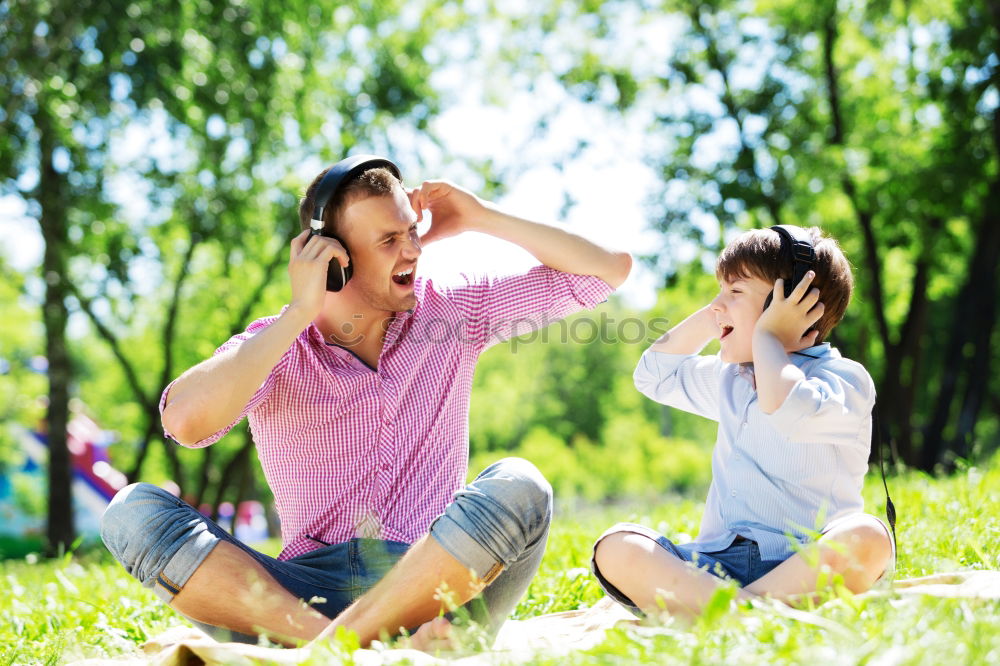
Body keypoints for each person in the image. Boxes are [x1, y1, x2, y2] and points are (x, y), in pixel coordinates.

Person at [100, 156, 632, 648]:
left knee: (521, 483)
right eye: (389, 239)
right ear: (332, 258)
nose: (414, 250)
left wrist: (481, 216)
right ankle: (343, 647)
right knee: (131, 512)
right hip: (298, 595)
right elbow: (185, 423)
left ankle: (329, 653)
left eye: (412, 233)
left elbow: (608, 271)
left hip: (431, 580)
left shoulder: (451, 312)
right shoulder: (277, 345)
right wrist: (297, 312)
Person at [591, 226, 893, 619]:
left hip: (802, 562)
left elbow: (787, 408)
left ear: (791, 300)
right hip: (714, 567)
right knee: (617, 546)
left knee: (868, 537)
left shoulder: (843, 379)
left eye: (735, 291)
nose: (718, 305)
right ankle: (753, 614)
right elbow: (653, 375)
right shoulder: (730, 377)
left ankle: (723, 613)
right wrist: (721, 311)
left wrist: (767, 333)